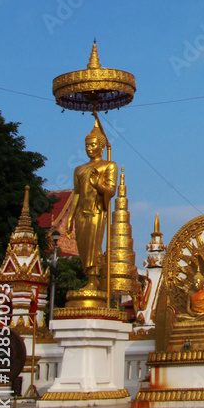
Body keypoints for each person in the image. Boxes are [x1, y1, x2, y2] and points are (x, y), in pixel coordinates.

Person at [67, 116, 118, 293]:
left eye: (93, 145)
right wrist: (69, 217)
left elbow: (111, 191)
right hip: (81, 212)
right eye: (87, 145)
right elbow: (77, 194)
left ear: (102, 147)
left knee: (93, 246)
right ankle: (89, 278)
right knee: (82, 248)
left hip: (97, 211)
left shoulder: (109, 166)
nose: (89, 149)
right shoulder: (79, 169)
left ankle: (93, 279)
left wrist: (98, 185)